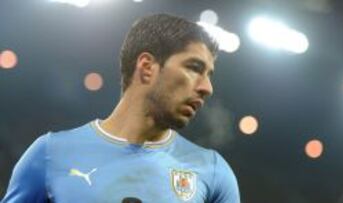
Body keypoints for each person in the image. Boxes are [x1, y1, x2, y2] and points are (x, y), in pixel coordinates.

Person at [1, 14, 240, 203]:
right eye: (194, 67)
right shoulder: (50, 152)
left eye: (209, 74)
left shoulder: (213, 171)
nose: (207, 87)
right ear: (147, 67)